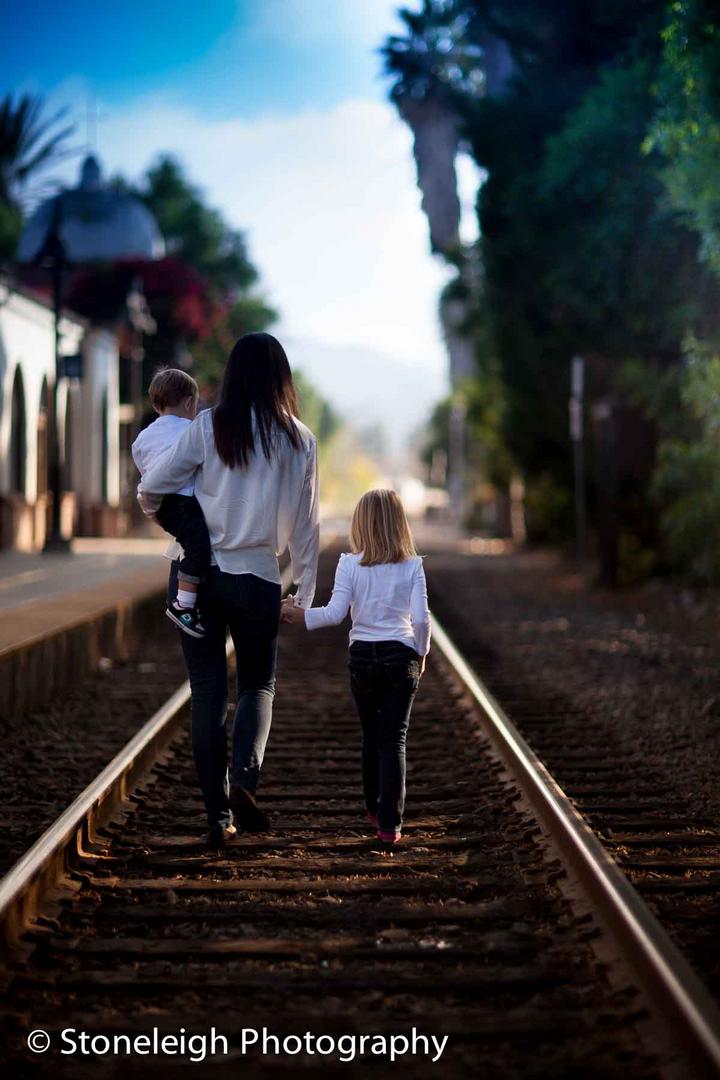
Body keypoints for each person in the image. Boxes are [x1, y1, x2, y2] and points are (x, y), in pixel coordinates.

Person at [140, 333, 319, 849]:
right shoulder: (299, 439)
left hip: (200, 573)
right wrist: (303, 595)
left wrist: (173, 524)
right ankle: (244, 777)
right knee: (258, 685)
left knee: (207, 691)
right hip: (258, 578)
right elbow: (307, 527)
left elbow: (154, 485)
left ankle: (218, 816)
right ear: (282, 377)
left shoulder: (206, 425)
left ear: (232, 375)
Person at [282, 489, 431, 845]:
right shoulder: (412, 566)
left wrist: (300, 616)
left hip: (363, 657)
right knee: (394, 739)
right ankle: (390, 827)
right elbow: (422, 621)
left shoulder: (350, 564)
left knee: (371, 736)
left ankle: (373, 807)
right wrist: (421, 654)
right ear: (400, 524)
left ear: (360, 523)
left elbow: (334, 614)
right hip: (401, 656)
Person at [132, 368, 211, 638]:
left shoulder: (143, 437)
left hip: (164, 508)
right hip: (185, 503)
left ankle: (185, 600)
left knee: (190, 542)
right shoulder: (192, 430)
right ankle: (183, 604)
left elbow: (144, 468)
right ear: (190, 403)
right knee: (199, 546)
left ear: (156, 404)